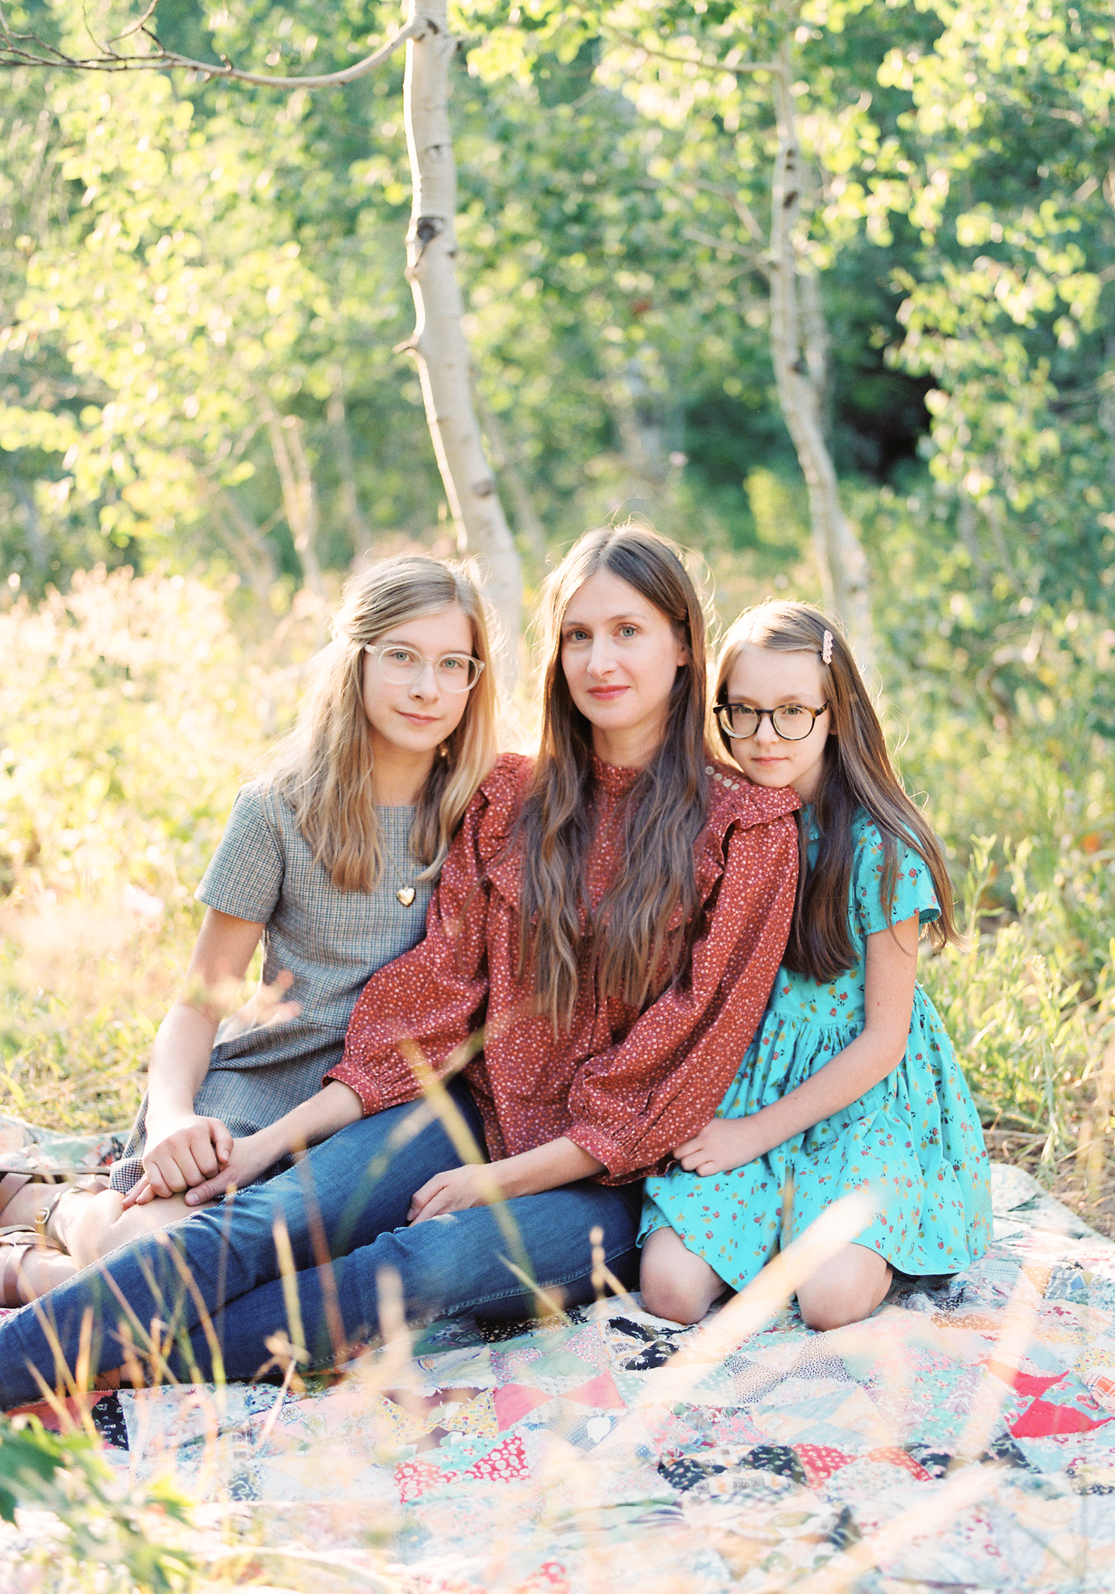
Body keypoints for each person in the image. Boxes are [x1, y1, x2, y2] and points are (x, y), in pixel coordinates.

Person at [0, 524, 800, 1408]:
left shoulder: (748, 829)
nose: (599, 661)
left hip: (608, 1184)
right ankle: (42, 1329)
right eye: (577, 635)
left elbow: (674, 1070)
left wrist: (495, 1182)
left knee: (416, 1267)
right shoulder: (507, 797)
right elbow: (433, 1001)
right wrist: (266, 1145)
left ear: (684, 645)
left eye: (628, 631)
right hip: (460, 1111)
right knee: (276, 1218)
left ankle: (80, 1328)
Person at [0, 554, 498, 1306]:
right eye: (401, 657)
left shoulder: (488, 814)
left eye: (450, 663)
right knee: (162, 1263)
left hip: (380, 1117)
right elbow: (199, 1003)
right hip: (263, 1089)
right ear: (354, 661)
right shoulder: (276, 811)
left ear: (473, 678)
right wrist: (172, 1117)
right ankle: (55, 1211)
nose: (427, 687)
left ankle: (39, 1268)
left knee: (284, 1291)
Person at [639, 601, 992, 1331]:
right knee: (669, 1290)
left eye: (793, 712)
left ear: (837, 713)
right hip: (751, 1077)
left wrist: (755, 1134)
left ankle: (868, 1231)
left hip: (861, 1101)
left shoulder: (878, 848)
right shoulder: (725, 824)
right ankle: (766, 1229)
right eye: (745, 712)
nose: (765, 737)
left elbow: (883, 1041)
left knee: (829, 1301)